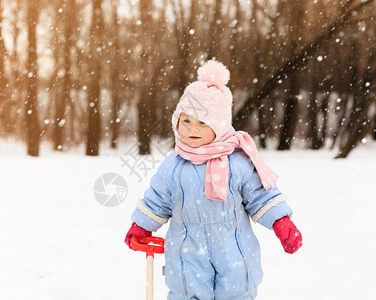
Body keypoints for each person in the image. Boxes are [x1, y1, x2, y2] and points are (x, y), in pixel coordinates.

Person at [125, 60, 302, 300]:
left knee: (236, 292)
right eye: (186, 121)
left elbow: (261, 195)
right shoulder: (174, 164)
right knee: (187, 292)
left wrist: (281, 222)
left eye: (202, 123)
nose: (192, 129)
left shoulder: (238, 162)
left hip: (233, 248)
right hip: (187, 251)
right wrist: (142, 225)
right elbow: (157, 199)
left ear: (218, 126)